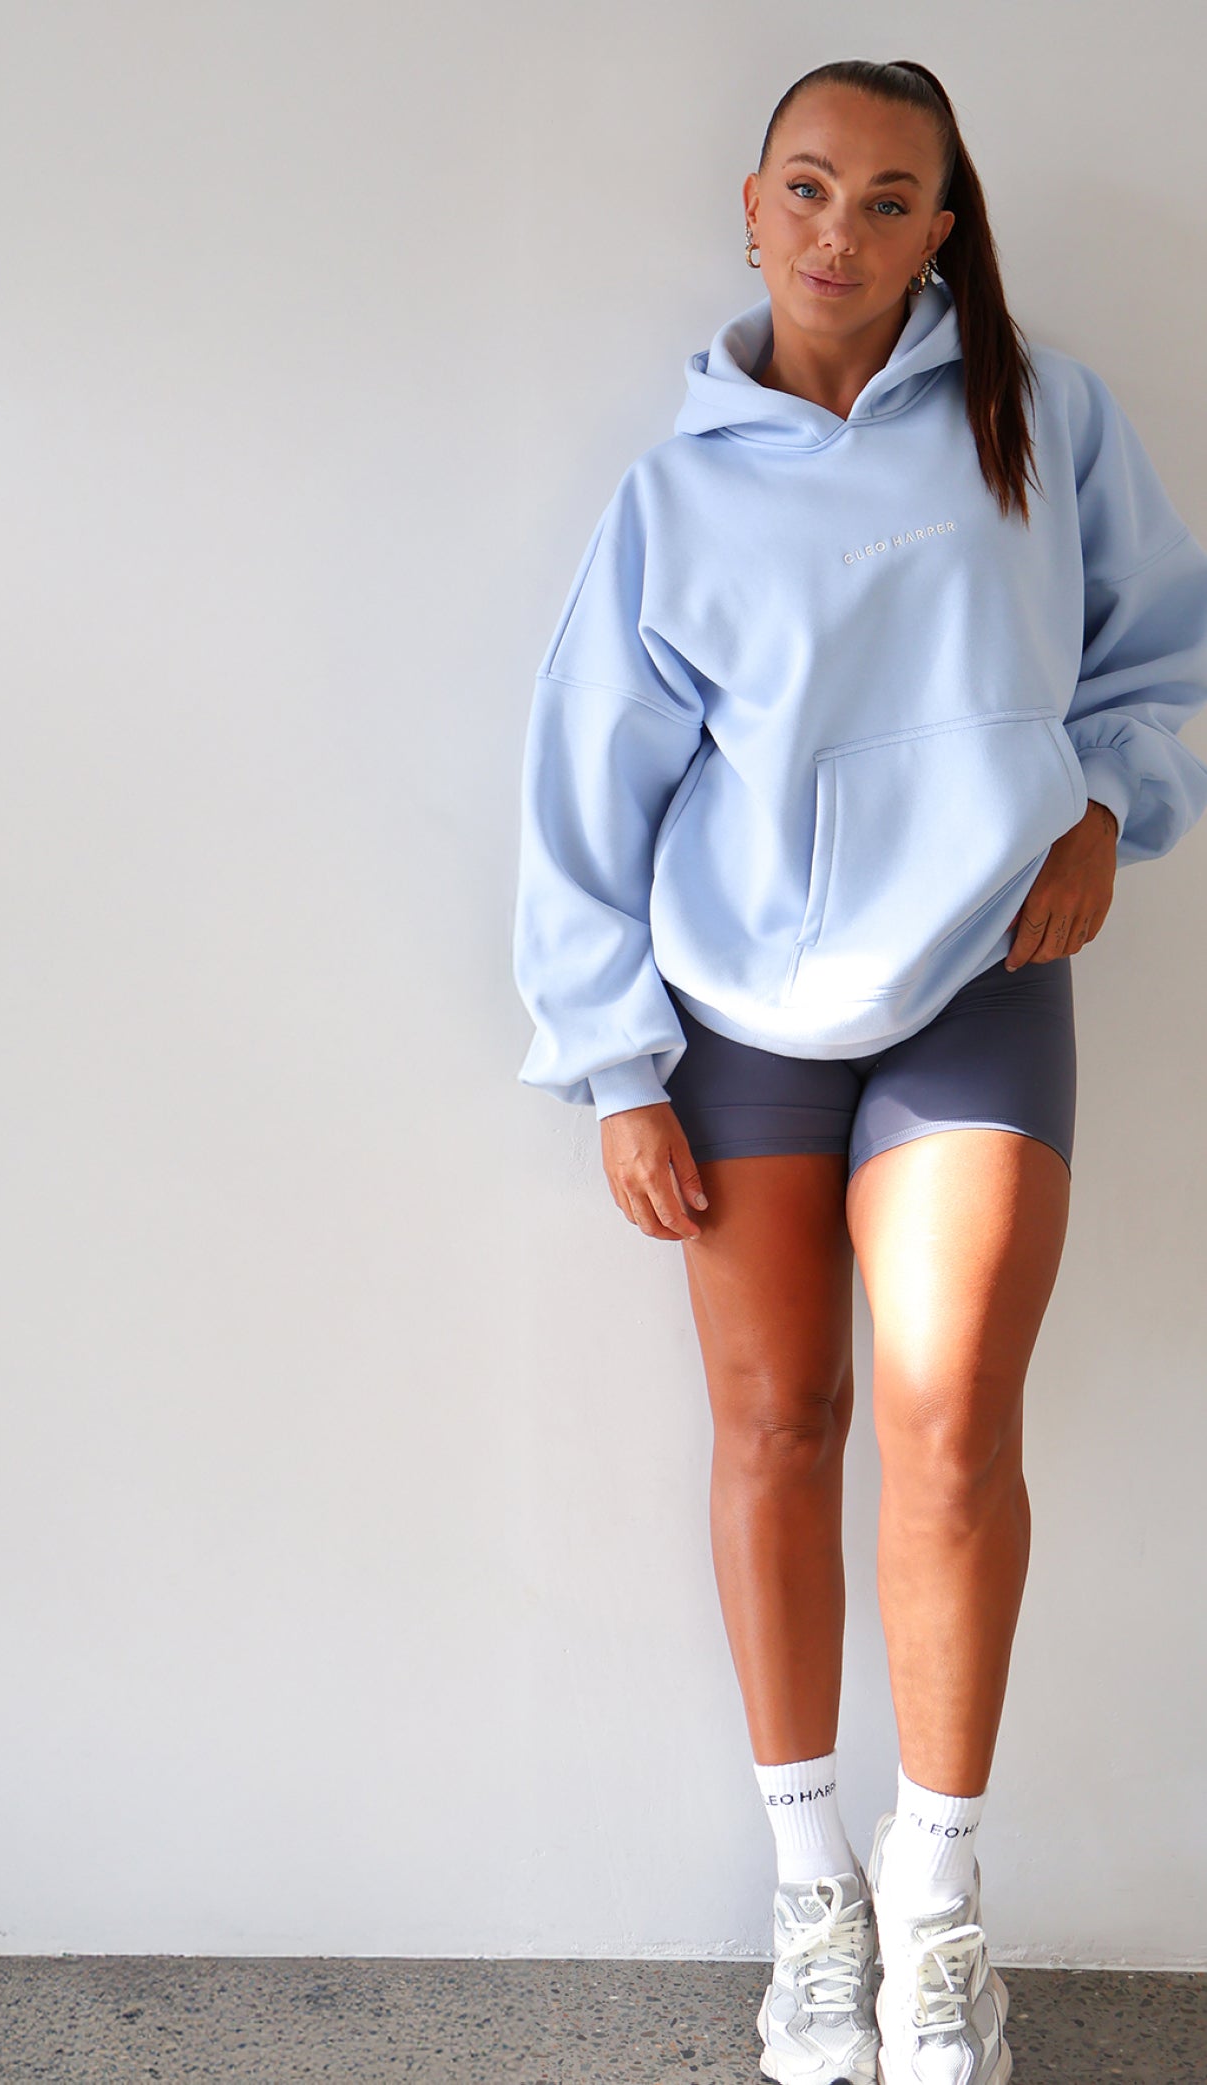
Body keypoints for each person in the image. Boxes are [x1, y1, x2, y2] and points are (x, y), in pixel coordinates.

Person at [511, 55, 1207, 2085]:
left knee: (947, 1414)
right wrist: (616, 1066)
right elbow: (584, 796)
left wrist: (1104, 808)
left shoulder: (1040, 417)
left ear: (940, 229)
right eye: (807, 188)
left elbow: (1158, 654)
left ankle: (938, 1899)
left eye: (889, 197)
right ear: (750, 208)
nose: (840, 230)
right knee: (776, 1416)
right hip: (736, 1015)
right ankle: (810, 1893)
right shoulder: (673, 499)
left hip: (977, 974)